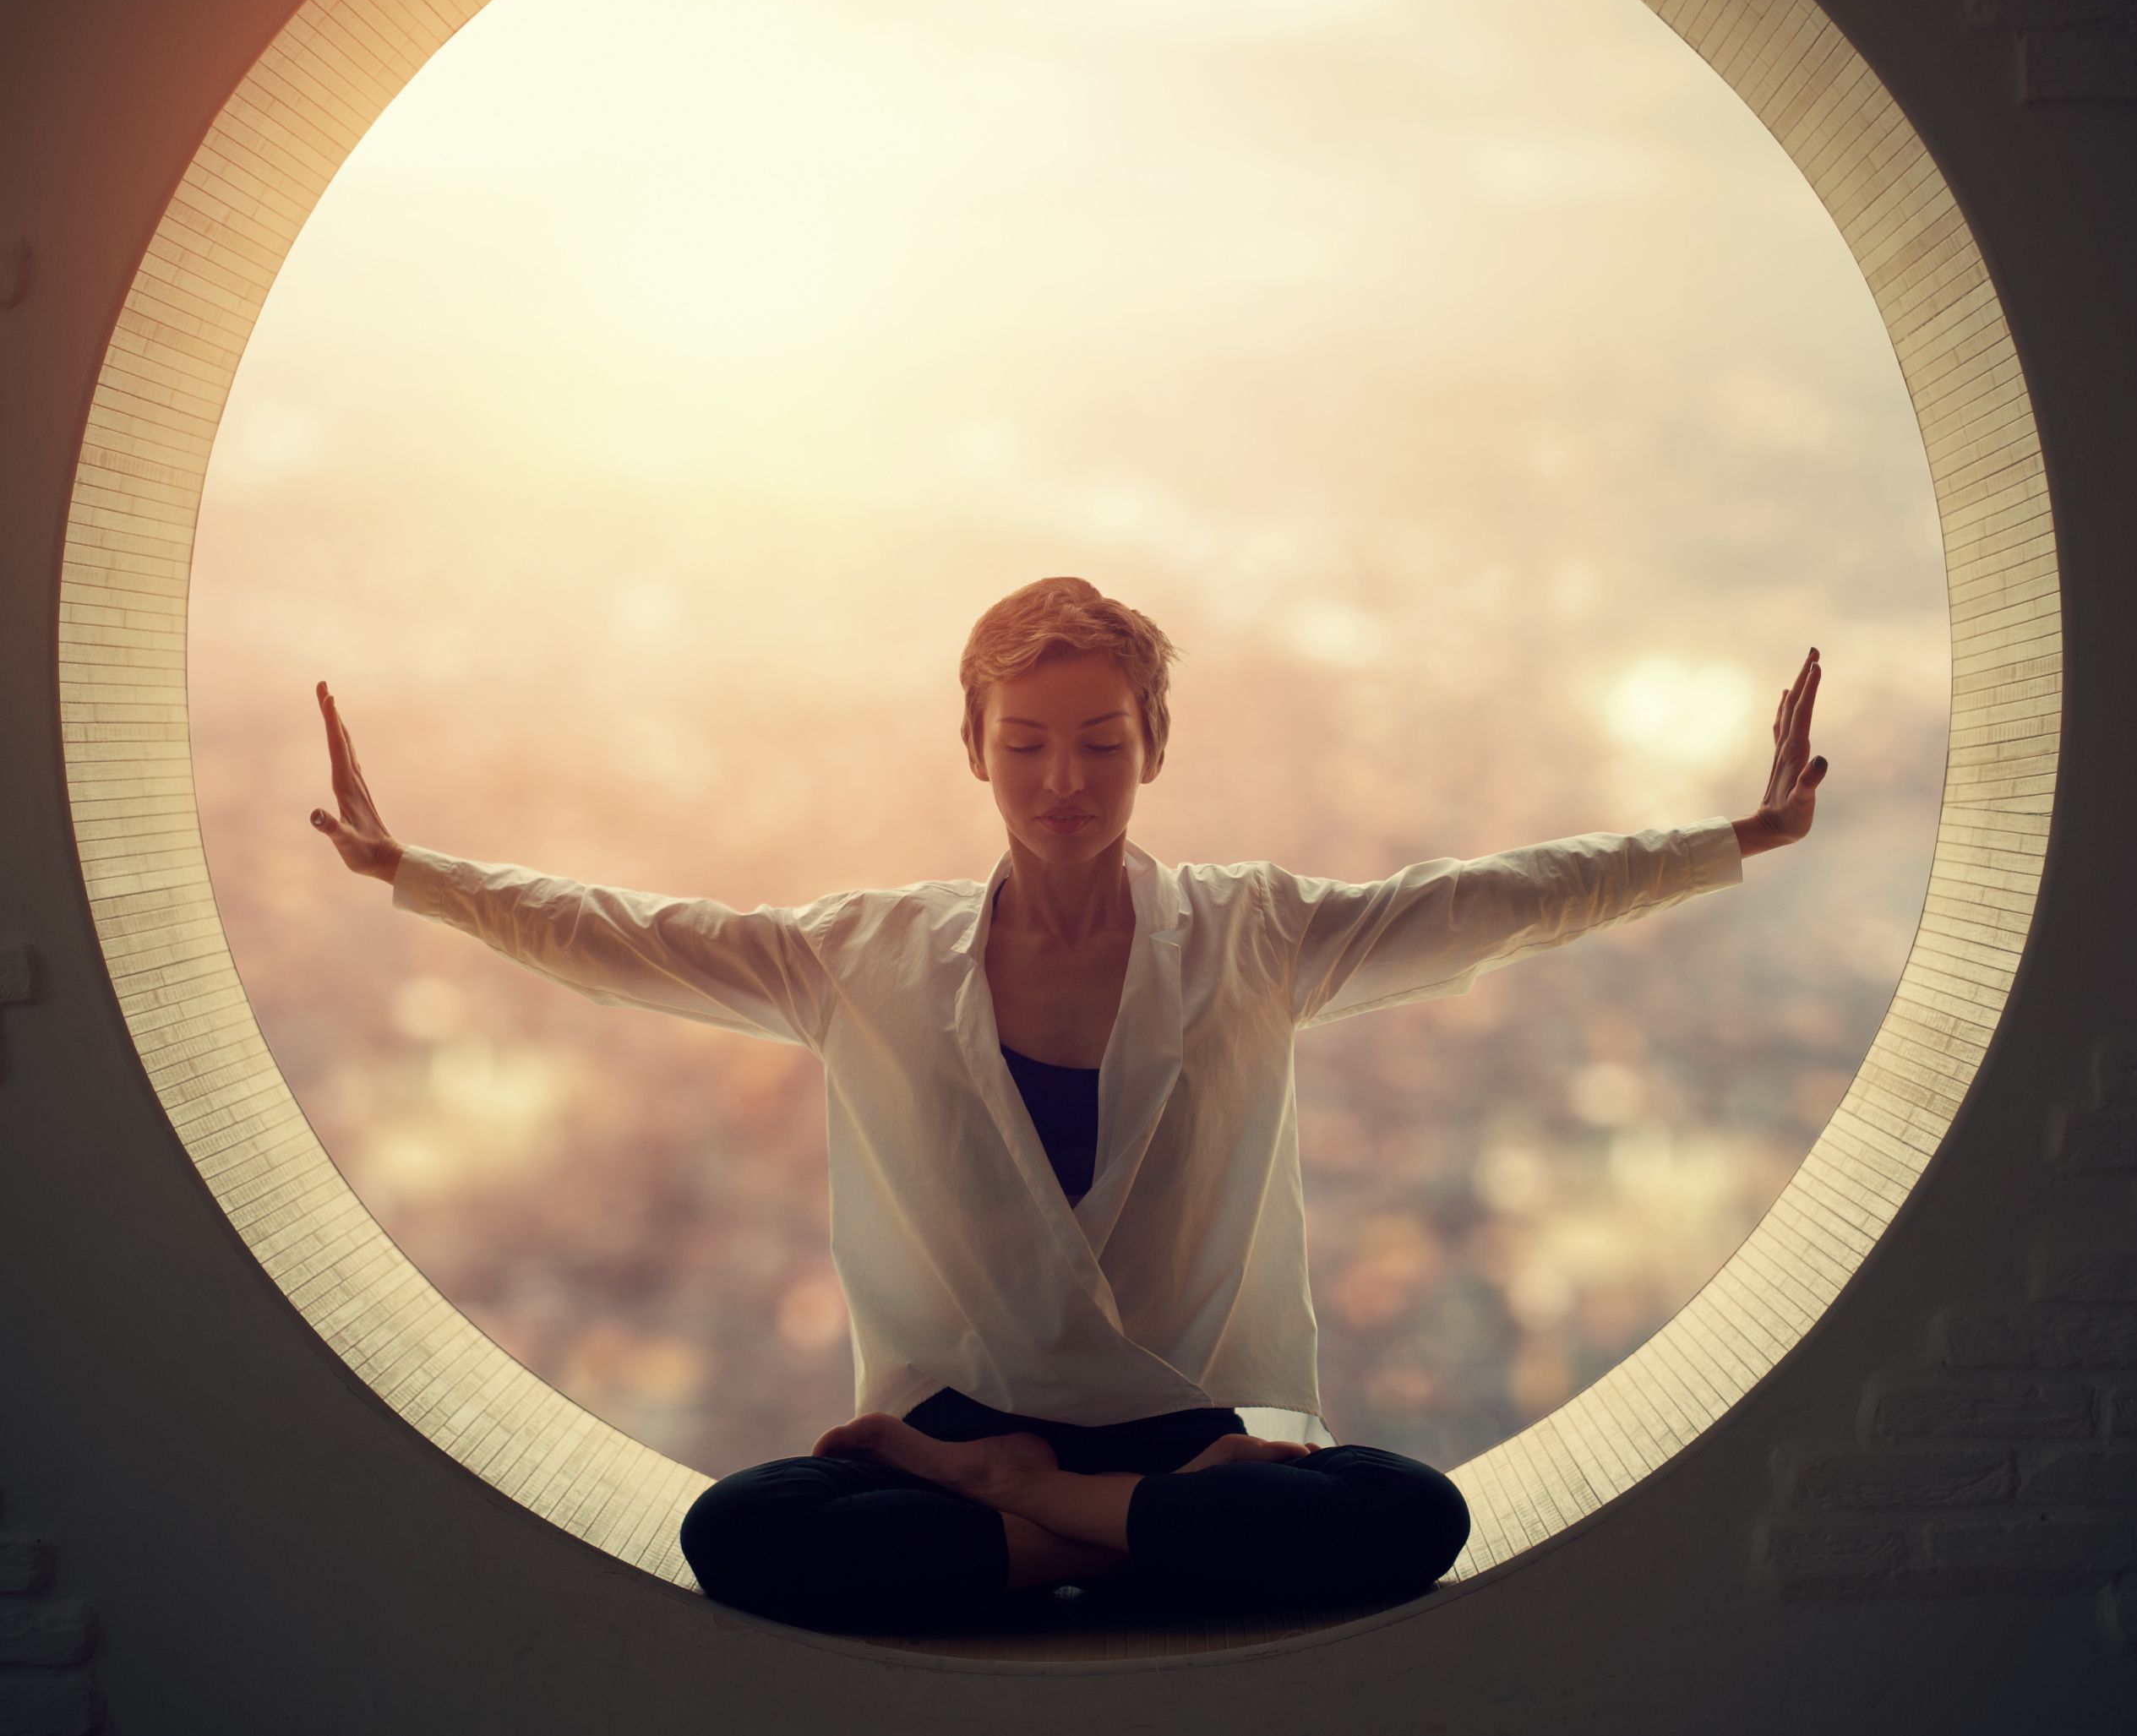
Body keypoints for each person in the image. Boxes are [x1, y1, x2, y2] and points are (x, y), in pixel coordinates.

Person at [309, 576, 1828, 1635]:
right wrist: (414, 874)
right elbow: (632, 939)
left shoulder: (1252, 933)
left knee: (1408, 1514)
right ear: (972, 747)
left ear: (1150, 749)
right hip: (985, 1438)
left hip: (1187, 1435)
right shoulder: (867, 956)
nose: (1062, 782)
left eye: (1100, 742)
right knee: (738, 1531)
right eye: (1026, 744)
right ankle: (1105, 1533)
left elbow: (1497, 901)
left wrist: (1732, 836)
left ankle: (1030, 1522)